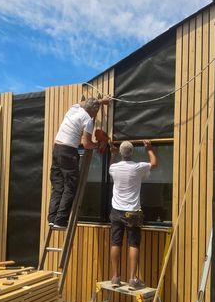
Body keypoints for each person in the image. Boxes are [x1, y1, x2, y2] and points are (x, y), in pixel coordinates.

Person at [48, 95, 111, 230]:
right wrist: (98, 144)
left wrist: (100, 101)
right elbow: (86, 144)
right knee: (71, 185)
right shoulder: (87, 120)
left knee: (58, 185)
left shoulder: (74, 109)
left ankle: (52, 218)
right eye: (97, 110)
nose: (96, 113)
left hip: (57, 149)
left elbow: (84, 103)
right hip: (68, 151)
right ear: (94, 110)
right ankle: (60, 220)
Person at [109, 140, 157, 290]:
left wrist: (113, 154)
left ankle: (115, 277)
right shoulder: (138, 167)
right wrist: (149, 149)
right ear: (132, 152)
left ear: (121, 153)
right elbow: (154, 163)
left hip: (116, 211)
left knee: (115, 243)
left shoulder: (113, 167)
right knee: (133, 244)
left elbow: (111, 164)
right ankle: (132, 280)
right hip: (133, 211)